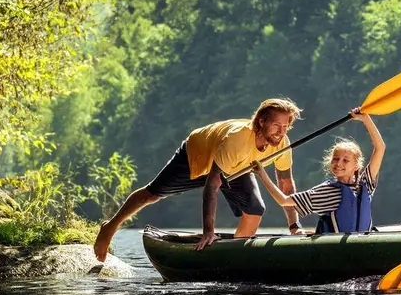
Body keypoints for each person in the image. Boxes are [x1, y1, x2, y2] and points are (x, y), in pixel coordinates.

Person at [92, 98, 303, 258]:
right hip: (198, 155)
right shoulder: (238, 140)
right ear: (261, 121)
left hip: (236, 165)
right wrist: (208, 232)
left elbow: (286, 185)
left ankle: (234, 256)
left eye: (285, 127)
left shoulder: (282, 144)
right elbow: (212, 185)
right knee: (152, 194)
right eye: (276, 125)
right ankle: (110, 227)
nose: (280, 132)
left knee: (255, 209)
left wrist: (294, 225)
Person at [254, 108, 385, 233]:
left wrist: (365, 119)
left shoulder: (365, 185)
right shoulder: (326, 192)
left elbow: (380, 147)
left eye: (345, 160)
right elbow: (284, 200)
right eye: (335, 159)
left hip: (361, 242)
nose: (339, 163)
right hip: (336, 246)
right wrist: (262, 173)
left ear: (356, 166)